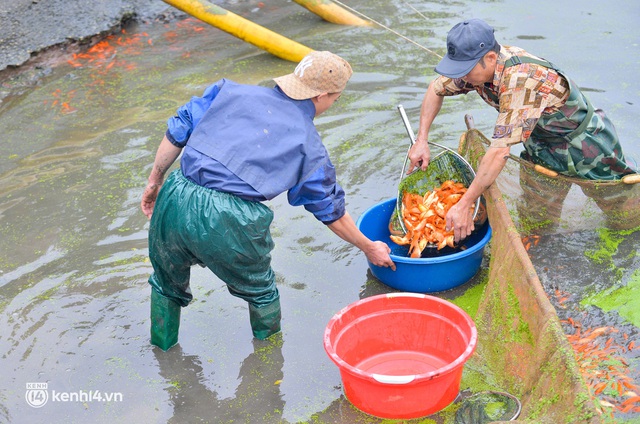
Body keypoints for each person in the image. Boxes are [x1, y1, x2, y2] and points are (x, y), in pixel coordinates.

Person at [140, 50, 396, 351]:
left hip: (176, 191)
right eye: (335, 99)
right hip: (229, 218)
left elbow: (178, 130)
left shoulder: (228, 91)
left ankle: (163, 351)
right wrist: (369, 246)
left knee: (166, 285)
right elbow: (331, 211)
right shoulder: (308, 146)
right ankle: (269, 368)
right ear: (323, 96)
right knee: (261, 293)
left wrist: (155, 182)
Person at [409, 18, 637, 240]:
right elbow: (435, 88)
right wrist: (422, 140)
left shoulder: (520, 80)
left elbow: (500, 151)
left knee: (623, 212)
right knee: (536, 219)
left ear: (490, 58)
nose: (461, 77)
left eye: (465, 70)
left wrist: (465, 203)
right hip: (541, 143)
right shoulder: (474, 71)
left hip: (585, 143)